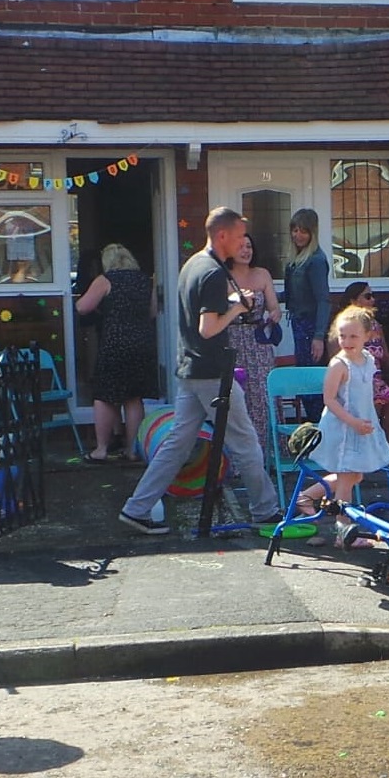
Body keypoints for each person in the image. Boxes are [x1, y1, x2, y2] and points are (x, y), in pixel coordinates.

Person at [118, 208, 282, 535]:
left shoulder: (193, 264)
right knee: (246, 440)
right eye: (238, 237)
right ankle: (266, 511)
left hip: (189, 368)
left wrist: (232, 301)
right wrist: (237, 306)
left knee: (178, 442)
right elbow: (208, 328)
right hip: (211, 371)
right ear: (222, 236)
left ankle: (136, 508)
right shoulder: (213, 274)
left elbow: (197, 317)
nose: (242, 244)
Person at [294, 306, 389, 550]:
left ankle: (307, 495)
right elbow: (329, 400)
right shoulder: (339, 365)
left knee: (354, 475)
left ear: (367, 336)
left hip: (360, 423)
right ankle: (343, 532)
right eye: (342, 336)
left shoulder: (368, 360)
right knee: (347, 479)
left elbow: (363, 393)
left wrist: (368, 418)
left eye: (353, 336)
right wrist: (353, 422)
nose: (347, 342)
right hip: (342, 427)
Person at [75, 243, 158, 464]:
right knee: (133, 398)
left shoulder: (106, 280)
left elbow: (83, 307)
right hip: (142, 344)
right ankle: (131, 450)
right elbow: (151, 312)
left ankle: (101, 449)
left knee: (104, 396)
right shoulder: (144, 281)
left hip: (115, 343)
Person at [341, 282, 389, 468]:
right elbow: (337, 360)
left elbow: (385, 355)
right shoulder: (344, 327)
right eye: (367, 296)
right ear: (354, 301)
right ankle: (367, 456)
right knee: (373, 404)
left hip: (375, 382)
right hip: (353, 382)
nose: (373, 300)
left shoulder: (376, 326)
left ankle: (383, 452)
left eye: (372, 295)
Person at [227, 235, 281, 461]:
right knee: (238, 398)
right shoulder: (222, 277)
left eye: (249, 246)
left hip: (258, 342)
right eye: (240, 247)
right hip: (232, 341)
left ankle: (266, 456)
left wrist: (274, 314)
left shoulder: (262, 274)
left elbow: (274, 306)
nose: (246, 251)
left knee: (262, 394)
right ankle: (239, 459)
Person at [283, 209, 331, 390]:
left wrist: (318, 336)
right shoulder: (297, 260)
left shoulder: (316, 260)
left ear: (313, 233)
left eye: (303, 231)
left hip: (310, 326)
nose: (298, 235)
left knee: (311, 381)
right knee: (303, 379)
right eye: (295, 230)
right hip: (299, 324)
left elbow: (323, 300)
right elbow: (294, 294)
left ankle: (318, 419)